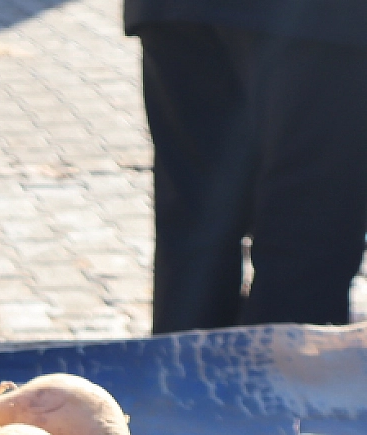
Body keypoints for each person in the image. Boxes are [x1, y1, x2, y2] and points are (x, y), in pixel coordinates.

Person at [126, 1, 367, 332]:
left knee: (194, 224)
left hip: (175, 11)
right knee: (307, 226)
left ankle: (186, 376)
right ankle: (281, 378)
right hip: (322, 18)